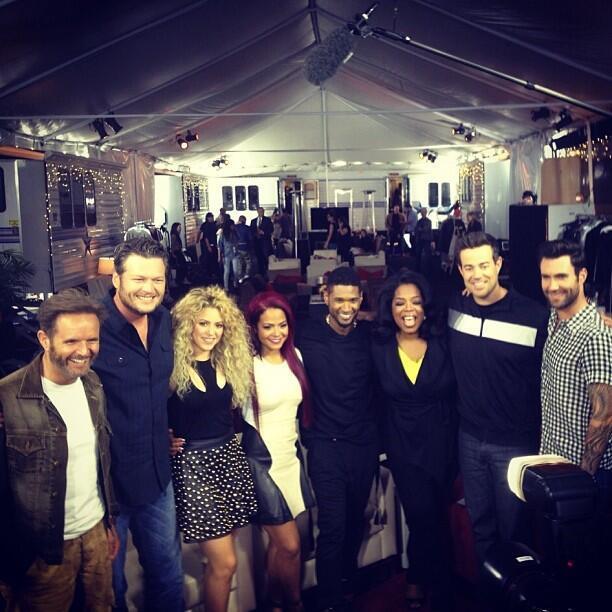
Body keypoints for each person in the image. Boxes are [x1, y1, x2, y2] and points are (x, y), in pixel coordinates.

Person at [0, 289, 118, 611]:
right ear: (44, 339)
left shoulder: (93, 384)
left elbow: (100, 461)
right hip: (42, 553)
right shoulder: (8, 397)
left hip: (95, 533)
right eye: (71, 341)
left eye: (92, 340)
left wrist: (108, 523)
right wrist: (13, 561)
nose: (84, 351)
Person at [447, 232, 549, 568]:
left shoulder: (533, 315)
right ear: (460, 271)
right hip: (469, 439)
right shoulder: (455, 308)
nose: (476, 274)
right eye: (468, 268)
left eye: (483, 265)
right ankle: (490, 591)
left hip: (515, 444)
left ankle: (517, 592)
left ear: (498, 264)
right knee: (481, 529)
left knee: (516, 533)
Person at [93, 238, 183, 612]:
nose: (149, 288)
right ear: (116, 279)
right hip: (105, 490)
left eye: (157, 279)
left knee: (168, 578)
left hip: (156, 477)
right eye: (139, 279)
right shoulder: (93, 325)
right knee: (109, 590)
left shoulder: (165, 321)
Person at [168, 286, 257, 612]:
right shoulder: (171, 367)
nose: (211, 332)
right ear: (188, 324)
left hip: (229, 459)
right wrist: (162, 437)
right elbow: (147, 410)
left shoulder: (228, 361)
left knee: (221, 562)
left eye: (218, 325)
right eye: (203, 323)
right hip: (194, 466)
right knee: (225, 562)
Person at [373, 271, 456, 611]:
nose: (408, 310)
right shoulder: (378, 346)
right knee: (422, 516)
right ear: (389, 308)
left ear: (426, 306)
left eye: (416, 302)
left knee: (437, 515)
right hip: (403, 449)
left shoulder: (444, 339)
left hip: (444, 445)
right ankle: (436, 584)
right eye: (400, 303)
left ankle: (420, 578)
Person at [296, 266, 378, 612]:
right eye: (339, 299)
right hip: (324, 445)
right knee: (332, 526)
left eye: (352, 300)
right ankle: (330, 602)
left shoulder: (370, 336)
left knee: (355, 519)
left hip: (363, 445)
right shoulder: (305, 334)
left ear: (361, 299)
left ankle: (345, 581)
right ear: (326, 296)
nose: (346, 307)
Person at [538, 240, 612, 595]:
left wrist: (583, 479)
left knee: (589, 572)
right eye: (546, 277)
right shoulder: (555, 319)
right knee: (562, 562)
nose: (552, 285)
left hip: (585, 477)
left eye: (561, 276)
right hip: (555, 465)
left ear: (582, 276)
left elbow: (604, 417)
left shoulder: (595, 335)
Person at [243, 292, 315, 612]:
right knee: (291, 545)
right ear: (255, 329)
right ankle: (295, 604)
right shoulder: (246, 366)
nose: (276, 333)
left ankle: (273, 604)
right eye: (268, 326)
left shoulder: (295, 357)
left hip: (289, 459)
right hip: (260, 465)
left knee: (279, 545)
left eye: (282, 325)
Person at [251, 207, 274, 277]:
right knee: (258, 257)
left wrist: (263, 232)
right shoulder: (253, 221)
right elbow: (251, 231)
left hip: (265, 243)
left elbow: (271, 230)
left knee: (266, 258)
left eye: (262, 211)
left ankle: (267, 273)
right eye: (259, 211)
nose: (261, 213)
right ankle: (260, 273)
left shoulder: (267, 220)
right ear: (257, 212)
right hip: (257, 243)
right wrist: (255, 234)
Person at [198, 211, 220, 282]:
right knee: (209, 259)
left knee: (213, 259)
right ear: (208, 218)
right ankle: (209, 273)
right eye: (211, 217)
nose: (212, 218)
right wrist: (208, 246)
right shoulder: (206, 226)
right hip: (207, 245)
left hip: (213, 244)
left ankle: (212, 273)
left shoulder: (213, 224)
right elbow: (205, 237)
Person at [218, 219, 237, 292]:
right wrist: (220, 255)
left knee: (233, 271)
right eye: (232, 225)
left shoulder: (233, 233)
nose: (233, 226)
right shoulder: (223, 234)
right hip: (227, 254)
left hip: (232, 254)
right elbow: (220, 246)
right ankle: (227, 287)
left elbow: (220, 245)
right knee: (228, 271)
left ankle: (233, 284)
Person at [234, 214, 253, 283]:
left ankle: (240, 278)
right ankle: (246, 275)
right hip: (245, 247)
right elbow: (250, 238)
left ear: (239, 220)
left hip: (237, 247)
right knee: (248, 262)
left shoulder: (235, 227)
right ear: (245, 221)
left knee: (239, 263)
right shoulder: (247, 228)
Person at [414, 208, 434, 273]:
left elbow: (426, 229)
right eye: (422, 212)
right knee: (418, 255)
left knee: (428, 255)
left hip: (426, 240)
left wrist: (420, 229)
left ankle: (428, 269)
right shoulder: (419, 221)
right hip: (420, 240)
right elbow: (417, 229)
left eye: (424, 212)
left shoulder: (428, 221)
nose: (423, 213)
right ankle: (418, 269)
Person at [170, 222, 188, 286]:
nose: (180, 228)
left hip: (178, 252)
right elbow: (173, 245)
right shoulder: (174, 235)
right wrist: (173, 254)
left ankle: (181, 280)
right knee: (181, 267)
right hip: (177, 252)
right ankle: (181, 280)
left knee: (181, 267)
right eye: (179, 227)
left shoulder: (176, 235)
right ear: (176, 228)